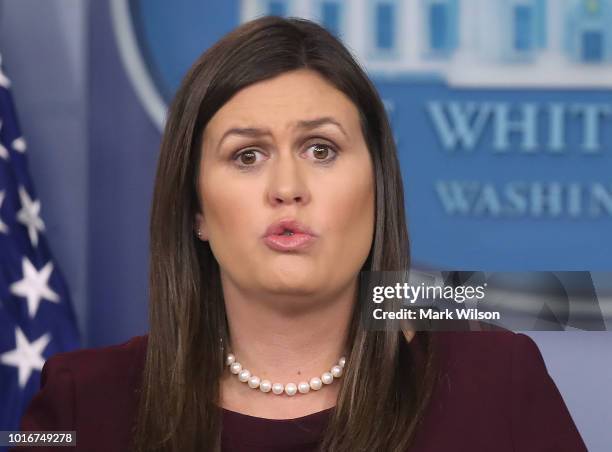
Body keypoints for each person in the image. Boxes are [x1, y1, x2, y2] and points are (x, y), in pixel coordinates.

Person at [17, 16, 586, 452]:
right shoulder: (80, 403)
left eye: (322, 149)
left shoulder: (497, 382)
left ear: (377, 187)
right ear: (197, 211)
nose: (287, 187)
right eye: (246, 155)